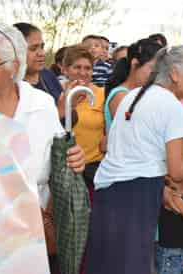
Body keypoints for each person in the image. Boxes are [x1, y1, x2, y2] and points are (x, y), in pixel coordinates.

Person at [86, 46, 183, 274]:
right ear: (175, 74)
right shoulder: (172, 107)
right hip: (135, 194)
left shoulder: (133, 95)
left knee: (106, 264)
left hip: (109, 192)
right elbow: (179, 171)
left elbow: (126, 149)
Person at [0, 22, 85, 273]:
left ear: (13, 66)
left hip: (34, 238)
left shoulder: (41, 104)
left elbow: (59, 158)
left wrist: (74, 157)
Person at [61, 44, 106, 200]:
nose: (83, 72)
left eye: (88, 68)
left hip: (93, 170)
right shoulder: (57, 95)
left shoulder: (102, 96)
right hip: (63, 169)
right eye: (77, 67)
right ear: (65, 69)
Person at [104, 39, 161, 132]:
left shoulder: (142, 92)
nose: (157, 74)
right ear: (135, 63)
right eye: (153, 68)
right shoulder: (122, 96)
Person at [13, 23, 64, 104]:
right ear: (15, 51)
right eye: (33, 48)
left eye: (42, 47)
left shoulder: (48, 75)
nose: (41, 53)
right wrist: (61, 109)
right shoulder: (9, 85)